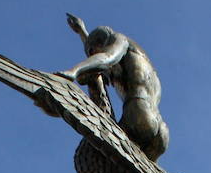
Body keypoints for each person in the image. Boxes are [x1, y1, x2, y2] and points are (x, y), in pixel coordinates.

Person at [60, 14, 170, 161]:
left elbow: (106, 58)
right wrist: (82, 31)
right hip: (160, 130)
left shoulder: (119, 40)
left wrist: (74, 71)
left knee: (102, 158)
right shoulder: (138, 58)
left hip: (137, 113)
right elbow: (99, 53)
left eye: (93, 53)